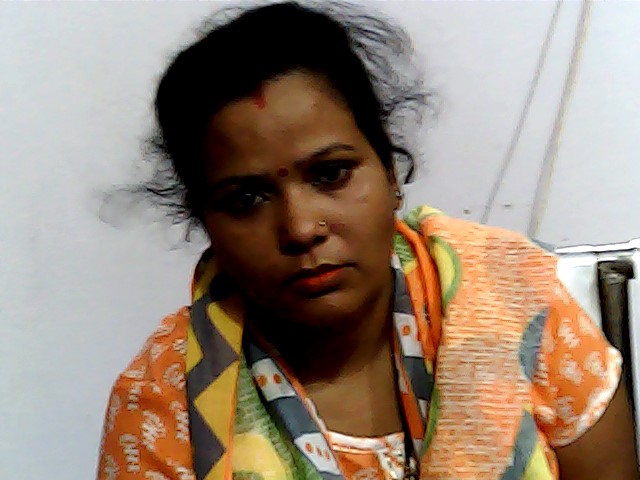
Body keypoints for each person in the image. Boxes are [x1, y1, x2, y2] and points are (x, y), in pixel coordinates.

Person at [97, 2, 638, 479]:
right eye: (246, 199)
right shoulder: (164, 403)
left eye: (331, 174)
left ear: (390, 172)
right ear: (206, 222)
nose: (301, 228)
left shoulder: (515, 309)